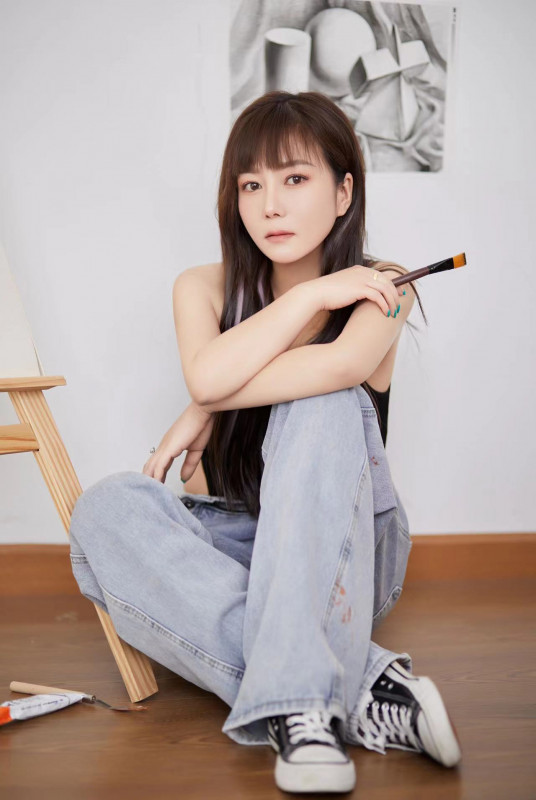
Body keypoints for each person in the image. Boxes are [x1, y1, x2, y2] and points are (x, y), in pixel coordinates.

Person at [68, 90, 461, 794]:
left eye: (295, 178)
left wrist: (206, 402)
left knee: (324, 400)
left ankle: (301, 701)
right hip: (238, 541)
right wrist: (308, 297)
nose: (270, 205)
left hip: (346, 554)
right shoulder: (201, 286)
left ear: (344, 193)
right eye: (251, 185)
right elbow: (207, 374)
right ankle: (357, 687)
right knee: (104, 509)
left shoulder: (385, 286)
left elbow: (329, 369)